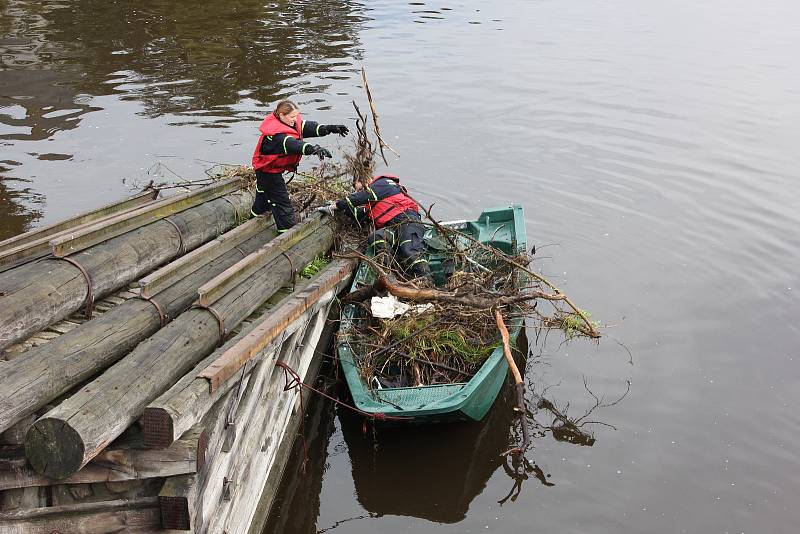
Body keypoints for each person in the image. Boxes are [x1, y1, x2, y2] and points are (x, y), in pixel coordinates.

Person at [251, 100, 349, 232]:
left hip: (269, 169)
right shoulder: (276, 136)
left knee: (262, 196)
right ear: (281, 115)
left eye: (296, 116)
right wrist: (313, 149)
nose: (295, 119)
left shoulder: (289, 122)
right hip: (268, 172)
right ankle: (287, 233)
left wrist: (329, 128)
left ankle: (254, 219)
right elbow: (294, 145)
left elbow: (305, 127)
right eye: (292, 117)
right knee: (282, 203)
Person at [318, 174, 432, 280]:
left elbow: (358, 198)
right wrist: (339, 209)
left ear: (367, 180)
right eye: (357, 190)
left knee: (409, 248)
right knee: (376, 237)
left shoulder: (383, 183)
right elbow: (357, 213)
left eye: (359, 188)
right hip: (393, 227)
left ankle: (426, 281)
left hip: (407, 220)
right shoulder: (372, 205)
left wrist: (335, 206)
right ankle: (397, 273)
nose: (358, 191)